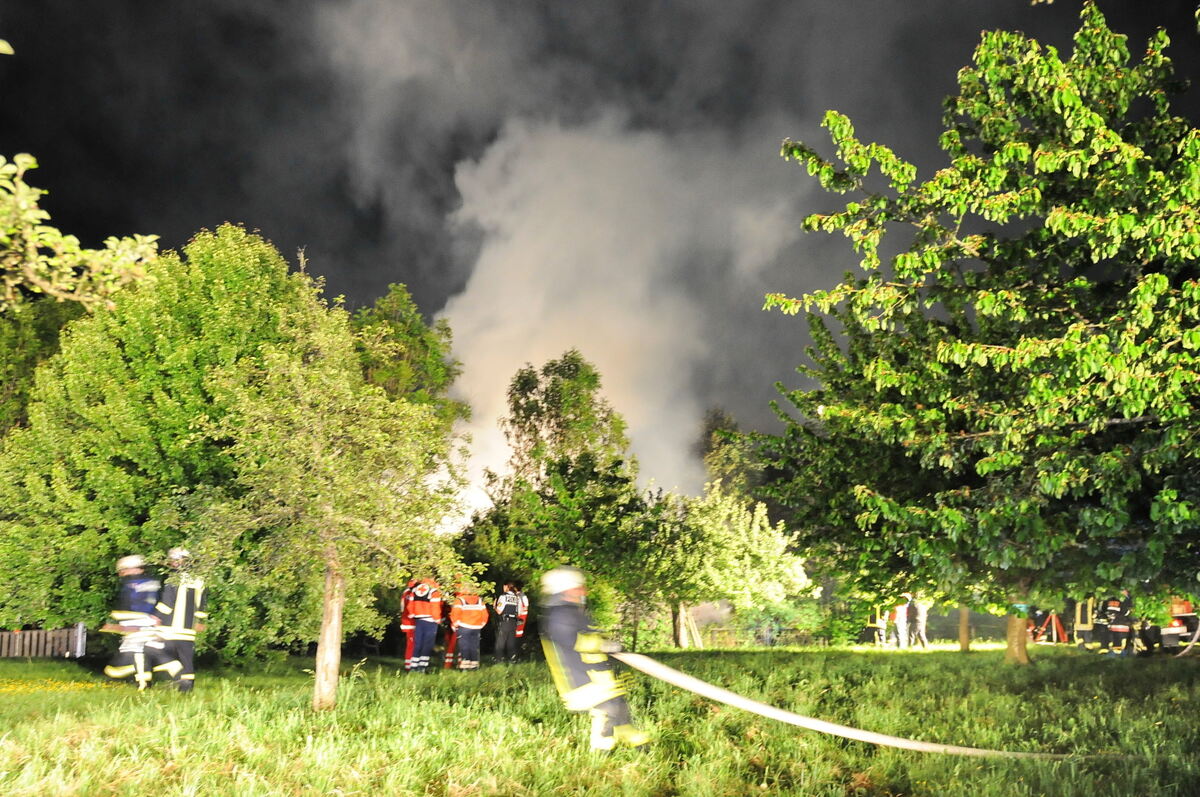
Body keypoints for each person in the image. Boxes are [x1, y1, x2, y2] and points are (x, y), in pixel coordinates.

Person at [540, 567, 649, 751]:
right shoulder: (559, 615)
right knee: (606, 711)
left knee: (618, 705)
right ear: (565, 591)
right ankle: (600, 748)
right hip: (578, 678)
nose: (584, 591)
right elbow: (570, 639)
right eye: (579, 588)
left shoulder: (572, 612)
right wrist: (605, 645)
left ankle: (630, 736)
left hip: (596, 676)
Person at [101, 555, 168, 690]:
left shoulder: (131, 584)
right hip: (149, 622)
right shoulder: (153, 582)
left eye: (123, 570)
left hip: (137, 624)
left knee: (132, 655)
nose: (122, 573)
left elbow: (130, 606)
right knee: (142, 654)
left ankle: (144, 683)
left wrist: (119, 625)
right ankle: (145, 683)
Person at [153, 547, 208, 691]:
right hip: (188, 627)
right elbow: (202, 603)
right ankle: (187, 687)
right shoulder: (199, 579)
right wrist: (200, 621)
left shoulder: (173, 578)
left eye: (174, 560)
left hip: (170, 626)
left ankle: (179, 679)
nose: (172, 563)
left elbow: (167, 602)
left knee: (155, 650)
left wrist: (157, 617)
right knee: (186, 657)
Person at [407, 577, 442, 672]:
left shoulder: (415, 590)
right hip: (430, 620)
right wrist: (437, 619)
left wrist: (412, 614)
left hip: (418, 620)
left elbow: (410, 605)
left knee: (417, 643)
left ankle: (413, 666)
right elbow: (435, 608)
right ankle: (422, 667)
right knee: (427, 644)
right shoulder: (434, 591)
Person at [449, 587, 489, 670]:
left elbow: (455, 614)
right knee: (474, 646)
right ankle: (474, 666)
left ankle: (465, 666)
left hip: (464, 626)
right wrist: (482, 624)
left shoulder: (460, 600)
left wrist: (455, 624)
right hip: (476, 627)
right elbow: (485, 614)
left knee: (464, 646)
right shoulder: (479, 600)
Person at [493, 581, 529, 663]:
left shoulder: (503, 597)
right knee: (511, 642)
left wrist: (494, 606)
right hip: (513, 623)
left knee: (500, 641)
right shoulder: (517, 598)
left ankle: (499, 659)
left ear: (507, 587)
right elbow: (519, 612)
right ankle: (513, 659)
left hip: (505, 621)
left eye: (504, 586)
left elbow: (499, 611)